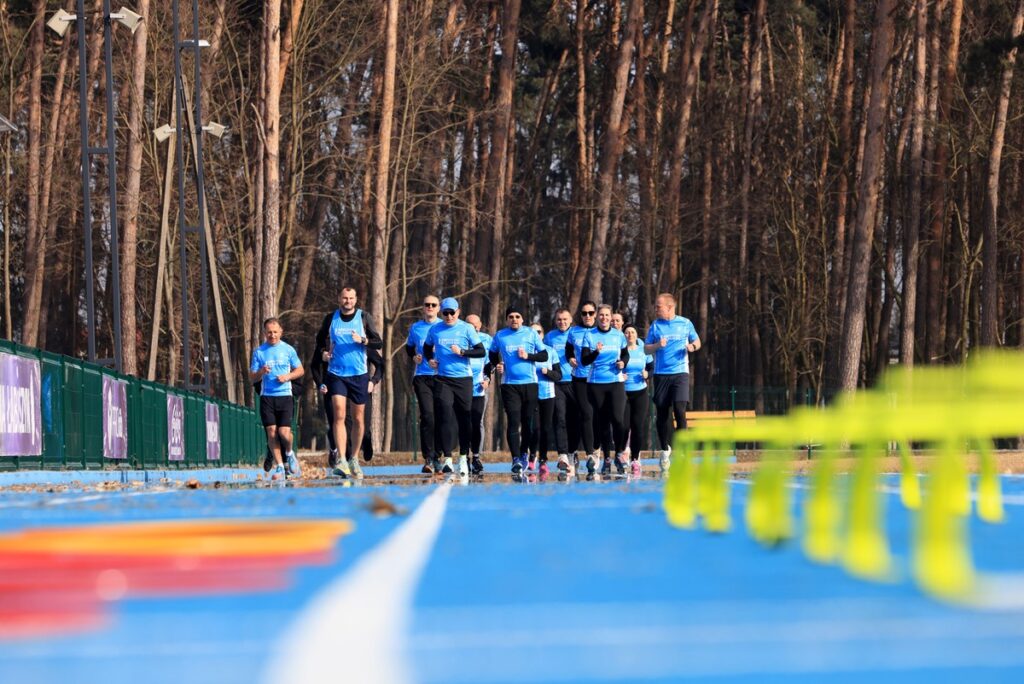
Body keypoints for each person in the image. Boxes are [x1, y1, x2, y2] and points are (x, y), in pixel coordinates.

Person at [313, 286, 383, 479]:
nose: (348, 301)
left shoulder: (364, 318)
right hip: (336, 374)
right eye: (345, 298)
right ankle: (342, 460)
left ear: (356, 299)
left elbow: (378, 343)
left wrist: (362, 340)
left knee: (359, 419)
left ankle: (354, 458)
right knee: (339, 414)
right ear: (339, 298)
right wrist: (323, 354)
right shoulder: (330, 319)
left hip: (359, 374)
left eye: (351, 298)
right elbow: (319, 342)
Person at [423, 298, 486, 475]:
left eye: (452, 312)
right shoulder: (435, 329)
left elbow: (481, 351)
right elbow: (427, 348)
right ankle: (448, 459)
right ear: (441, 313)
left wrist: (463, 352)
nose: (449, 316)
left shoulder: (466, 328)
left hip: (463, 380)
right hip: (443, 379)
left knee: (464, 418)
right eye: (446, 313)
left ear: (458, 312)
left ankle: (464, 458)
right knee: (444, 414)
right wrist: (430, 360)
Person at [487, 304, 548, 477]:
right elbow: (492, 354)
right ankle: (515, 459)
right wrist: (498, 363)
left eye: (517, 316)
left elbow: (543, 355)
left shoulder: (530, 333)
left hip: (530, 384)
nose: (514, 319)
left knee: (528, 423)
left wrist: (528, 356)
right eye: (511, 317)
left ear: (522, 319)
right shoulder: (500, 336)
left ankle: (523, 454)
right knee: (513, 421)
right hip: (509, 385)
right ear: (506, 319)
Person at [644, 292, 701, 474]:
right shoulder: (655, 326)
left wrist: (692, 347)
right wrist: (657, 346)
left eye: (658, 306)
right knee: (662, 413)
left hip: (680, 374)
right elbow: (646, 349)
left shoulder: (685, 323)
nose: (655, 309)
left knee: (679, 409)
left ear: (669, 307)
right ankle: (665, 449)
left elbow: (697, 341)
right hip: (661, 375)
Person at [250, 318, 304, 480]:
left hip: (285, 396)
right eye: (269, 332)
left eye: (275, 332)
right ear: (264, 333)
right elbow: (252, 378)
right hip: (267, 397)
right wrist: (261, 372)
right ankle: (280, 467)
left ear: (281, 332)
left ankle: (289, 452)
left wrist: (288, 376)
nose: (272, 335)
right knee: (272, 433)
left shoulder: (288, 350)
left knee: (284, 432)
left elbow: (300, 370)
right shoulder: (259, 352)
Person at [580, 305, 629, 476]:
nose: (604, 318)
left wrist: (623, 363)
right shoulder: (589, 335)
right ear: (597, 317)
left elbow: (625, 355)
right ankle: (607, 458)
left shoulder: (618, 335)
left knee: (618, 420)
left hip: (615, 382)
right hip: (596, 383)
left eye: (607, 315)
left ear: (610, 317)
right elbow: (584, 361)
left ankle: (620, 453)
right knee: (602, 422)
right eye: (601, 315)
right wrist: (596, 352)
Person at [406, 295, 443, 473]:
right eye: (427, 304)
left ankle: (440, 455)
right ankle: (428, 458)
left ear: (438, 308)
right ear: (423, 307)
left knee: (441, 417)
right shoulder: (416, 328)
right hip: (422, 376)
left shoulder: (445, 327)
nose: (430, 307)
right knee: (428, 416)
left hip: (443, 377)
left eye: (433, 305)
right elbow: (409, 347)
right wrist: (414, 356)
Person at [565, 301, 597, 471]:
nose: (587, 316)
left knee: (596, 416)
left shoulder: (602, 332)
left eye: (591, 313)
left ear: (596, 314)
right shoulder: (574, 332)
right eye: (584, 313)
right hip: (579, 379)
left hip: (599, 379)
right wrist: (570, 358)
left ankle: (601, 452)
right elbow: (568, 350)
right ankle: (588, 453)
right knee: (584, 413)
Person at [528, 323, 562, 477]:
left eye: (539, 331)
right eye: (533, 332)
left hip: (548, 395)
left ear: (543, 334)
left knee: (546, 429)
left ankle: (543, 459)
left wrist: (547, 371)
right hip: (531, 395)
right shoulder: (525, 352)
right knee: (534, 428)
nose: (536, 334)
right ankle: (531, 455)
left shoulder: (550, 352)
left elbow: (558, 375)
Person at [542, 309, 574, 477]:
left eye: (565, 319)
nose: (562, 322)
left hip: (576, 381)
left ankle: (573, 451)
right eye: (559, 319)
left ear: (571, 320)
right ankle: (563, 454)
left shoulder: (576, 334)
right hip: (557, 383)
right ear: (556, 321)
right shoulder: (549, 337)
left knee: (575, 419)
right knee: (560, 418)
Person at [623, 323, 653, 478]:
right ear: (624, 335)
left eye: (632, 332)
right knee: (623, 426)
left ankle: (635, 458)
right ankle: (622, 454)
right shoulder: (620, 351)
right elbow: (612, 367)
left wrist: (647, 374)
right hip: (623, 393)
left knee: (638, 426)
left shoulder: (643, 350)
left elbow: (651, 367)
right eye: (627, 332)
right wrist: (619, 375)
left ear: (636, 335)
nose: (630, 335)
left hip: (640, 392)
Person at [344, 348, 383, 463]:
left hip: (363, 388)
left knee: (362, 424)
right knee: (347, 426)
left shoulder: (364, 346)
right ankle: (349, 459)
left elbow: (381, 364)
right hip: (344, 389)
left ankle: (366, 439)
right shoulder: (339, 344)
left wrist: (373, 381)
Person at [466, 314, 492, 475]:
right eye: (470, 325)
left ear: (480, 325)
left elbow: (490, 362)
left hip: (480, 387)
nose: (473, 328)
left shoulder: (487, 340)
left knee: (478, 421)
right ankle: (464, 455)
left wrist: (488, 379)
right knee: (464, 422)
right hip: (461, 387)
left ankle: (477, 456)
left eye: (476, 325)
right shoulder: (460, 337)